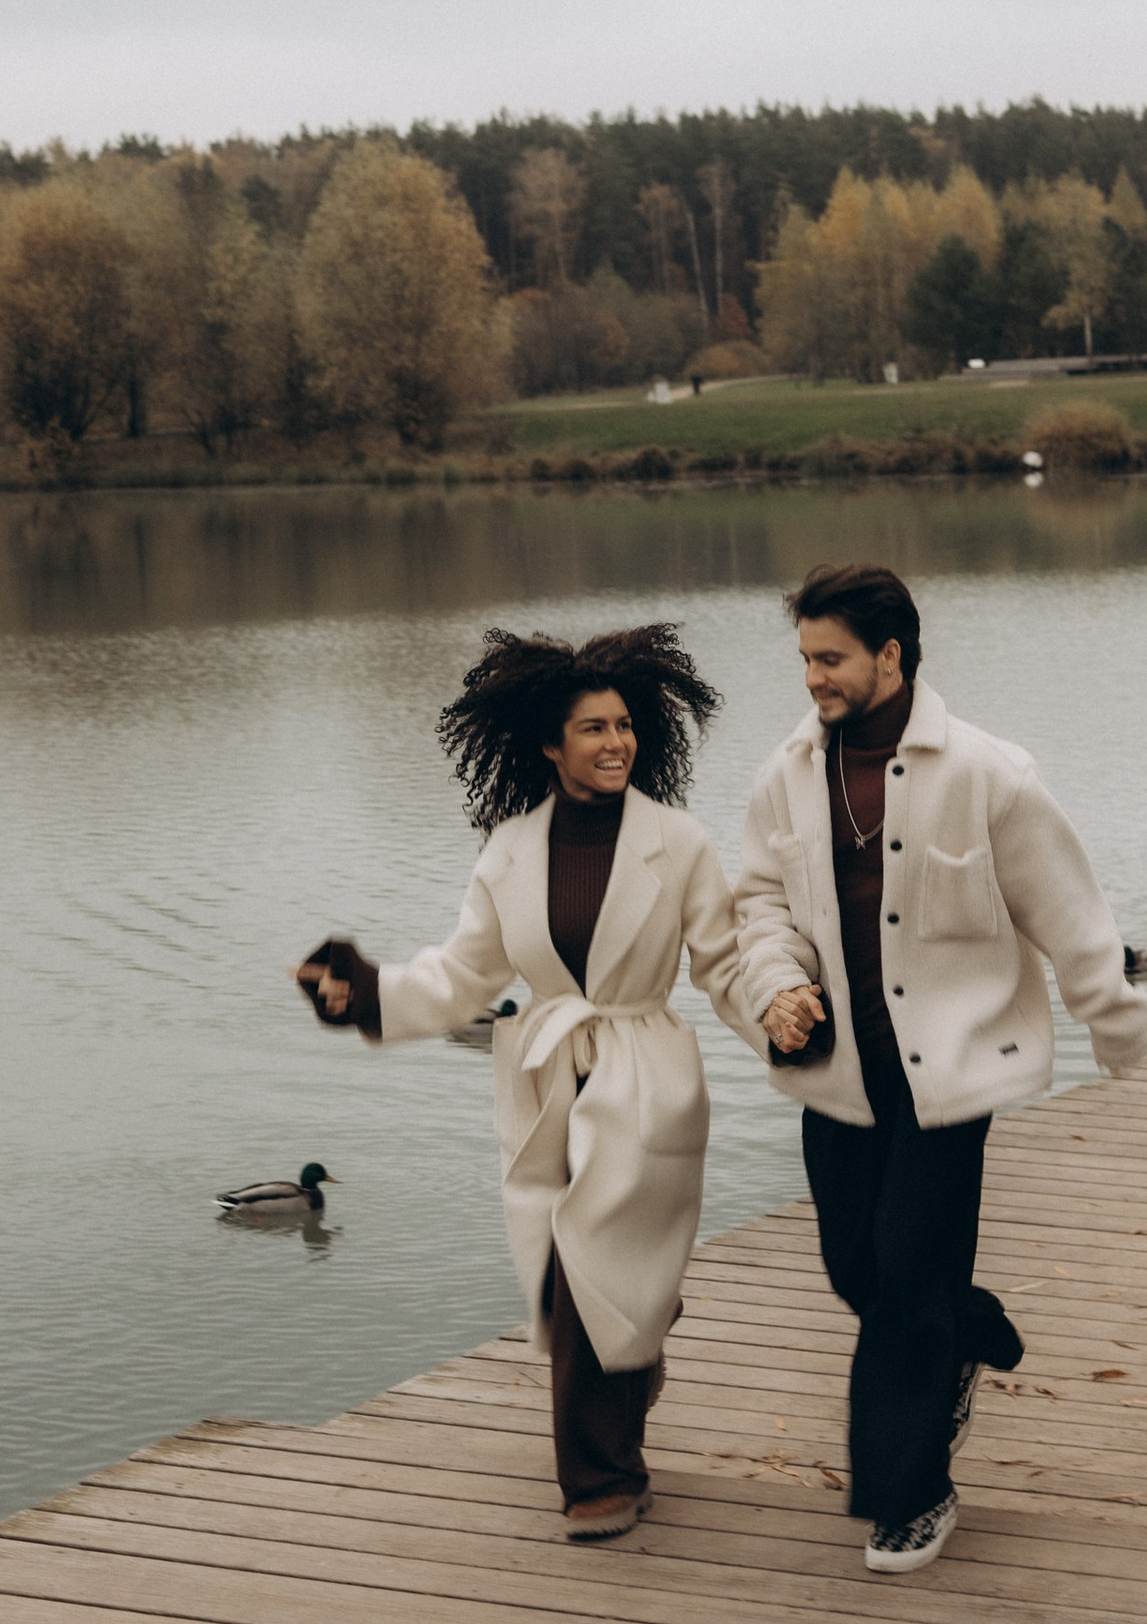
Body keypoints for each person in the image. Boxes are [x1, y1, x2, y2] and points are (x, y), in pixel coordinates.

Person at [295, 623, 796, 1540]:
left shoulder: (678, 844)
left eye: (624, 726)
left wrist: (778, 1010)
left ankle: (597, 1479)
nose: (615, 744)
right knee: (567, 1281)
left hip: (644, 1079)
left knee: (593, 1270)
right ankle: (626, 1391)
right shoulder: (509, 852)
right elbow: (461, 978)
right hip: (543, 1082)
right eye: (594, 729)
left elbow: (725, 964)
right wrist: (361, 991)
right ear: (549, 746)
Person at [737, 562, 1147, 1576]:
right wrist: (772, 984)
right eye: (803, 660)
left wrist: (1113, 1024)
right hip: (836, 1068)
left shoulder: (988, 774)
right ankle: (964, 1334)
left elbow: (1067, 911)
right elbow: (754, 904)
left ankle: (909, 1495)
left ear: (890, 655)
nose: (812, 680)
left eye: (829, 659)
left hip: (950, 1071)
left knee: (910, 1270)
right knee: (856, 1269)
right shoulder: (787, 775)